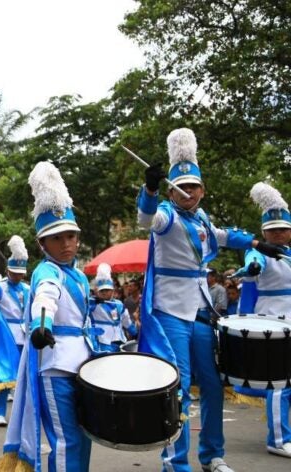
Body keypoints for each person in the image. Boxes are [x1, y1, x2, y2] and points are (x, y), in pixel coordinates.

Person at [136, 128, 286, 472]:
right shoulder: (167, 215)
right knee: (179, 386)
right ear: (172, 190)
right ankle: (175, 462)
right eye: (181, 187)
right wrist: (150, 189)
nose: (188, 192)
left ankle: (212, 456)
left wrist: (256, 244)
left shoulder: (202, 218)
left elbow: (223, 235)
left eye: (194, 187)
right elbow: (146, 219)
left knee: (213, 386)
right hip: (170, 311)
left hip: (201, 311)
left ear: (202, 190)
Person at [0, 161, 95, 471]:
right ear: (42, 243)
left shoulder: (78, 275)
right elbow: (45, 297)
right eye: (57, 238)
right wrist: (42, 325)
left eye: (70, 236)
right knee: (67, 441)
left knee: (82, 437)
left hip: (82, 362)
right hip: (55, 364)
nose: (66, 244)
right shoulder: (46, 271)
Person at [232, 182, 291, 458]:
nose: (278, 234)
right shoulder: (261, 252)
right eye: (273, 230)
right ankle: (278, 439)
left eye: (283, 228)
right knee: (281, 383)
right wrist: (252, 267)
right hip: (275, 322)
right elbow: (252, 265)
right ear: (264, 232)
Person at [0, 235, 30, 427]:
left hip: (24, 335)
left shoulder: (27, 288)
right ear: (8, 269)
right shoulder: (0, 286)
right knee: (4, 374)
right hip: (5, 335)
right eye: (14, 272)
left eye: (20, 273)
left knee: (24, 377)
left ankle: (23, 415)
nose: (17, 276)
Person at [89, 263, 137, 352]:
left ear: (112, 291)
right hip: (102, 341)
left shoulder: (119, 304)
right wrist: (94, 300)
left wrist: (134, 332)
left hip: (119, 341)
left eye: (107, 290)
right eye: (102, 290)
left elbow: (126, 320)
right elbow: (85, 305)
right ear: (98, 292)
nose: (104, 292)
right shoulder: (94, 303)